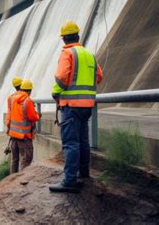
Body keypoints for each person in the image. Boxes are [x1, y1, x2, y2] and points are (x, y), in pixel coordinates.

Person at [49, 20, 103, 193]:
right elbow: (99, 76)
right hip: (87, 105)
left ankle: (70, 181)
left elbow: (61, 78)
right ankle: (84, 173)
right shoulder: (89, 54)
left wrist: (55, 92)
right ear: (78, 36)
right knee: (83, 141)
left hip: (71, 106)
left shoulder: (67, 53)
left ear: (64, 38)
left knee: (71, 143)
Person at [6, 79, 40, 174]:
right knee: (27, 159)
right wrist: (38, 116)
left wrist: (8, 128)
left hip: (14, 135)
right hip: (24, 137)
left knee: (15, 159)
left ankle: (12, 179)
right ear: (30, 90)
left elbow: (10, 114)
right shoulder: (27, 101)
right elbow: (33, 117)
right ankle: (23, 180)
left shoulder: (13, 99)